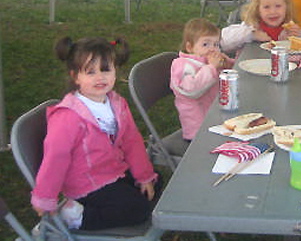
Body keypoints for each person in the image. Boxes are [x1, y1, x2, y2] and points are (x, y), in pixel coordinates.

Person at [31, 37, 160, 231]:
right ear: (75, 77)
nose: (100, 78)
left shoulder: (116, 103)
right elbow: (55, 157)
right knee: (138, 208)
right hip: (86, 183)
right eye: (90, 72)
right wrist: (45, 197)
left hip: (113, 171)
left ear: (115, 71)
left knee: (156, 182)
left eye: (106, 70)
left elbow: (132, 141)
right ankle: (78, 217)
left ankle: (123, 198)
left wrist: (144, 176)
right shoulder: (68, 117)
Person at [171, 18, 234, 142]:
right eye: (205, 44)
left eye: (216, 44)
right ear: (190, 47)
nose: (212, 49)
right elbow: (192, 90)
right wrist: (211, 67)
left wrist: (228, 64)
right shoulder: (182, 65)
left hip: (216, 119)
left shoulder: (208, 61)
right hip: (197, 129)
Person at [221, 0, 301, 53]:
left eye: (278, 6)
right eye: (266, 7)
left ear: (287, 7)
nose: (273, 12)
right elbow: (223, 42)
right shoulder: (253, 26)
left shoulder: (290, 28)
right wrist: (251, 35)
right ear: (257, 9)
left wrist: (298, 37)